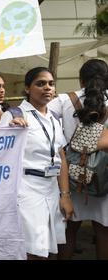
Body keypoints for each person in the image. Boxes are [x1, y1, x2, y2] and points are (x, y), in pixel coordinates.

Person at [0, 67, 74, 259]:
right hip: (26, 190)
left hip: (51, 189)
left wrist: (65, 195)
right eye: (40, 83)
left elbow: (61, 157)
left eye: (50, 83)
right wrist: (11, 129)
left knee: (49, 249)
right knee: (33, 251)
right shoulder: (15, 115)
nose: (47, 88)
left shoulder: (54, 118)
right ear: (27, 88)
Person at [48, 59, 108, 259]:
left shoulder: (64, 100)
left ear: (81, 80)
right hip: (103, 177)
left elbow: (36, 113)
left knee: (69, 228)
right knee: (103, 231)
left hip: (70, 176)